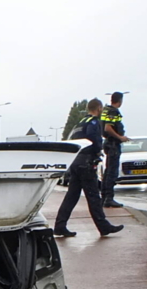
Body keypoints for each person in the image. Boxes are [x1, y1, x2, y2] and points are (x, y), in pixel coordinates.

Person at [53, 98, 124, 238]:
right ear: (98, 108)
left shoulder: (79, 123)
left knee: (71, 197)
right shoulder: (93, 122)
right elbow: (94, 139)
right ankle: (104, 227)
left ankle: (60, 226)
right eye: (101, 108)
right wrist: (98, 150)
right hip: (86, 163)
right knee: (93, 197)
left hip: (76, 162)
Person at [100, 92, 130, 208]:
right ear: (120, 100)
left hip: (109, 143)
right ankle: (109, 198)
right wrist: (120, 137)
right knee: (112, 172)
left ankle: (104, 198)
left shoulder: (106, 110)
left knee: (108, 172)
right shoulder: (113, 111)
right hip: (113, 144)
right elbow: (108, 128)